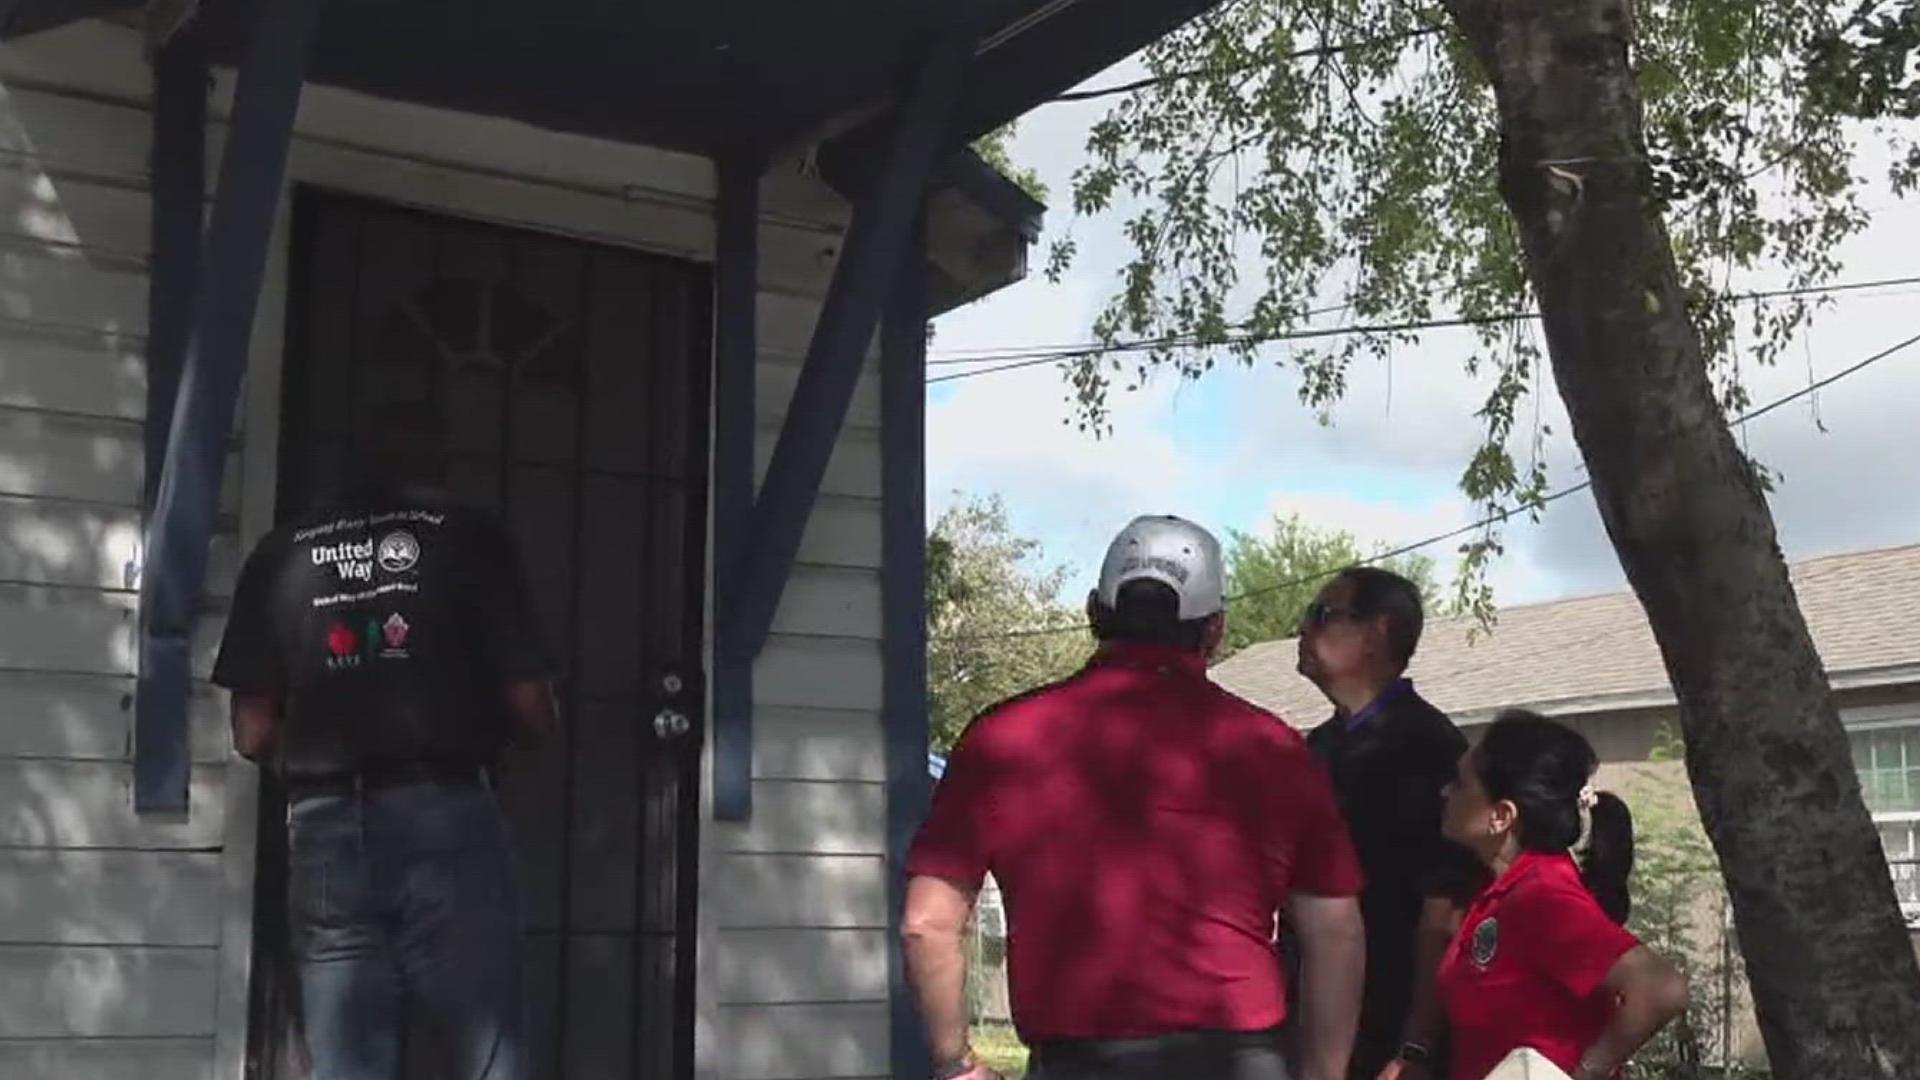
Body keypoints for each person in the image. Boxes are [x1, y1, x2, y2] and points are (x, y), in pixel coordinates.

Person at [903, 515, 1367, 1080]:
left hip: (1079, 1062)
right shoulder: (1274, 750)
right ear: (1215, 628)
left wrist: (956, 1064)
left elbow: (927, 923)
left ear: (1096, 612)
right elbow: (1335, 931)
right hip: (1241, 1059)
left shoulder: (1003, 740)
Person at [212, 401, 558, 1080]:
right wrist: (527, 742)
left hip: (324, 830)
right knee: (481, 1055)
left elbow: (252, 731)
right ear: (440, 463)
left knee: (347, 1060)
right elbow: (529, 702)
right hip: (444, 816)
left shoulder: (284, 551)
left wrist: (314, 773)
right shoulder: (468, 539)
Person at [1295, 568, 1484, 1080]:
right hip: (1313, 1026)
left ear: (1377, 633)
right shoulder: (1314, 750)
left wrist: (1416, 1046)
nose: (1303, 628)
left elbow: (1446, 910)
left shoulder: (1430, 749)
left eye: (1322, 615)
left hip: (1390, 1036)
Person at [1437, 710, 1689, 1080]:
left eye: (1460, 784)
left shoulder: (1541, 897)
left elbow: (1660, 988)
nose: (1445, 791)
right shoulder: (1501, 892)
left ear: (1501, 816)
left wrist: (1584, 1073)